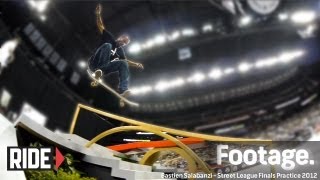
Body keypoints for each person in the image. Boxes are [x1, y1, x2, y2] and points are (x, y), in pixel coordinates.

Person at [88, 4, 144, 96]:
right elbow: (100, 26)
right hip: (94, 63)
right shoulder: (109, 37)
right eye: (123, 41)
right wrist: (98, 14)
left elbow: (125, 61)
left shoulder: (120, 51)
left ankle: (123, 88)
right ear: (120, 38)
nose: (123, 44)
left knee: (123, 63)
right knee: (108, 45)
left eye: (125, 44)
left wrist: (135, 64)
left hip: (104, 69)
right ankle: (99, 70)